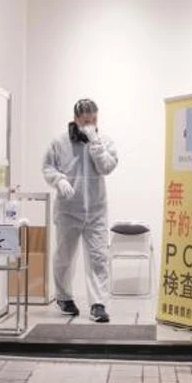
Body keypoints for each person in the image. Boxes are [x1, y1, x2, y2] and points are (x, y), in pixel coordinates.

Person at [43, 98, 118, 323]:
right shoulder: (60, 142)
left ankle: (98, 304)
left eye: (94, 120)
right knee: (65, 256)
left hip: (96, 210)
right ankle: (64, 297)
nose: (90, 124)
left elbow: (107, 167)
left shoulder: (103, 140)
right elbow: (48, 166)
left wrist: (96, 145)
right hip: (68, 210)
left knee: (98, 257)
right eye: (85, 121)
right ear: (75, 119)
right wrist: (58, 180)